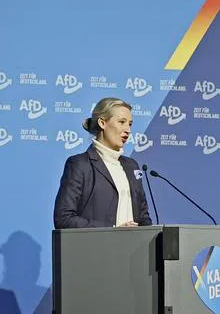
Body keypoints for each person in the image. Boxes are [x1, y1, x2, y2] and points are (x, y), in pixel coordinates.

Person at [53, 97, 153, 229]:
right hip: (96, 248)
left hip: (133, 248)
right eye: (121, 122)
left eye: (130, 124)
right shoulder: (80, 164)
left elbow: (143, 217)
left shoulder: (131, 166)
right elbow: (63, 218)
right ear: (102, 123)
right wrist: (112, 230)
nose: (128, 130)